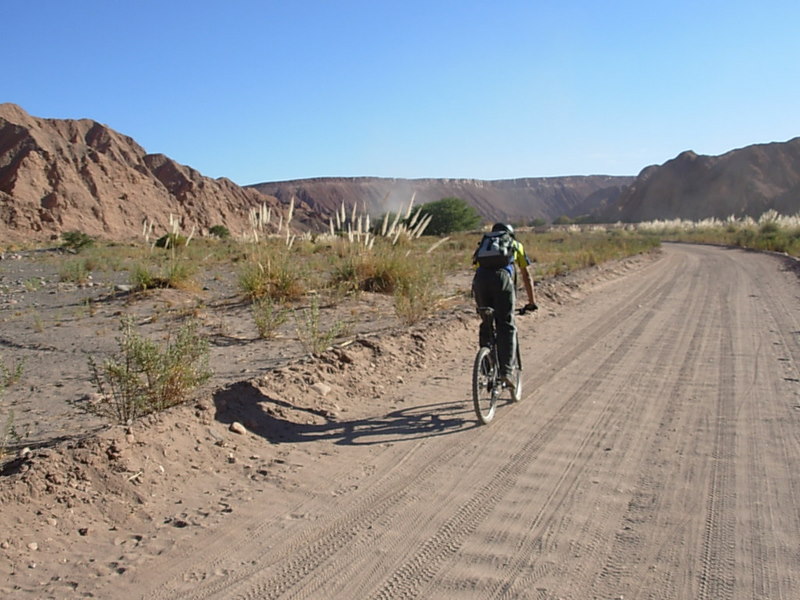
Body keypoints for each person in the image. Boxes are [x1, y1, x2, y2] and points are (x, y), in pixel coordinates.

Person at [472, 223, 537, 389]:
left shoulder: (484, 246)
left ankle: (486, 366)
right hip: (502, 282)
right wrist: (532, 302)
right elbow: (526, 275)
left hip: (480, 282)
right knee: (506, 325)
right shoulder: (515, 245)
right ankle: (506, 373)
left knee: (486, 322)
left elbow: (477, 269)